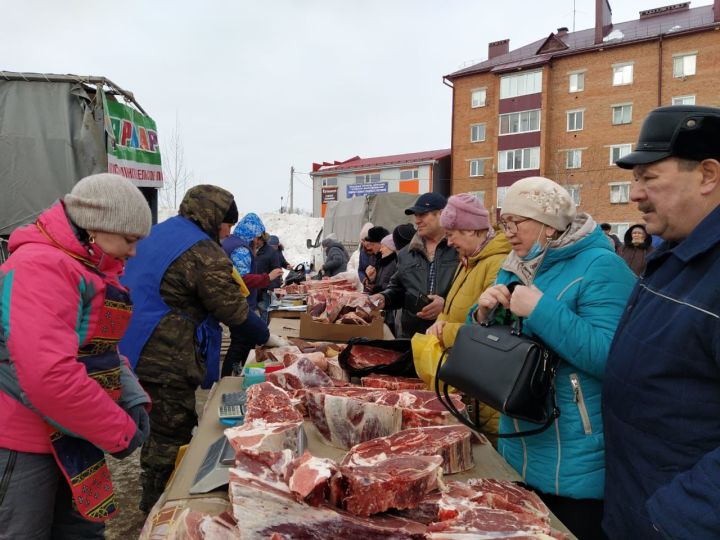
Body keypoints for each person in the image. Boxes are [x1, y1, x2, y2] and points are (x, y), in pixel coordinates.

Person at [471, 177, 635, 540]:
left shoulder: (602, 267)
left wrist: (541, 309)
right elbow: (504, 337)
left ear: (548, 223)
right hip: (519, 435)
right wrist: (483, 314)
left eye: (517, 222)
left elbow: (612, 358)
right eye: (504, 222)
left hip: (574, 446)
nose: (509, 232)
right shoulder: (518, 262)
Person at [0, 173, 153, 538]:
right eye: (129, 240)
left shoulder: (87, 267)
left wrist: (130, 395)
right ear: (97, 227)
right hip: (24, 443)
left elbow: (100, 348)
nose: (133, 252)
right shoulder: (42, 266)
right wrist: (117, 430)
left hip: (72, 432)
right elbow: (47, 376)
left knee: (81, 532)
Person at [602, 105, 720, 538]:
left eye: (648, 178)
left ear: (708, 175)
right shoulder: (675, 252)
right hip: (633, 502)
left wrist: (669, 520)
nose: (634, 194)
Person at [119, 185, 251, 513]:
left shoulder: (159, 232)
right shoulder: (202, 251)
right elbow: (233, 310)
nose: (228, 233)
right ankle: (158, 510)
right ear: (214, 218)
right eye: (227, 225)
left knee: (154, 423)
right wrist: (266, 335)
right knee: (171, 431)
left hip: (132, 344)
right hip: (165, 355)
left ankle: (155, 495)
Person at [424, 193, 511, 432]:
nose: (448, 242)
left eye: (451, 234)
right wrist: (441, 320)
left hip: (487, 389)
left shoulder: (497, 264)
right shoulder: (469, 261)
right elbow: (453, 308)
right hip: (467, 379)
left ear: (471, 230)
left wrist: (446, 332)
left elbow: (495, 330)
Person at [371, 192, 459, 338]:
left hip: (449, 337)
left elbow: (472, 293)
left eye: (422, 214)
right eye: (415, 215)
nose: (417, 220)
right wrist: (384, 297)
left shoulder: (459, 249)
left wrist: (446, 306)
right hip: (412, 336)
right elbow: (398, 289)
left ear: (442, 214)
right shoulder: (406, 253)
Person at [222, 213, 285, 376]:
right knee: (240, 344)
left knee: (244, 341)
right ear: (254, 236)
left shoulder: (230, 243)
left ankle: (240, 373)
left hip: (231, 302)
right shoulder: (241, 248)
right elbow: (242, 278)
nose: (258, 244)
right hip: (238, 304)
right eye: (258, 240)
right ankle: (229, 379)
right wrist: (267, 278)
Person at [362, 225, 390, 291]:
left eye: (373, 244)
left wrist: (376, 288)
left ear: (381, 243)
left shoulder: (391, 260)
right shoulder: (375, 257)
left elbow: (392, 287)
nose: (370, 247)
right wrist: (368, 279)